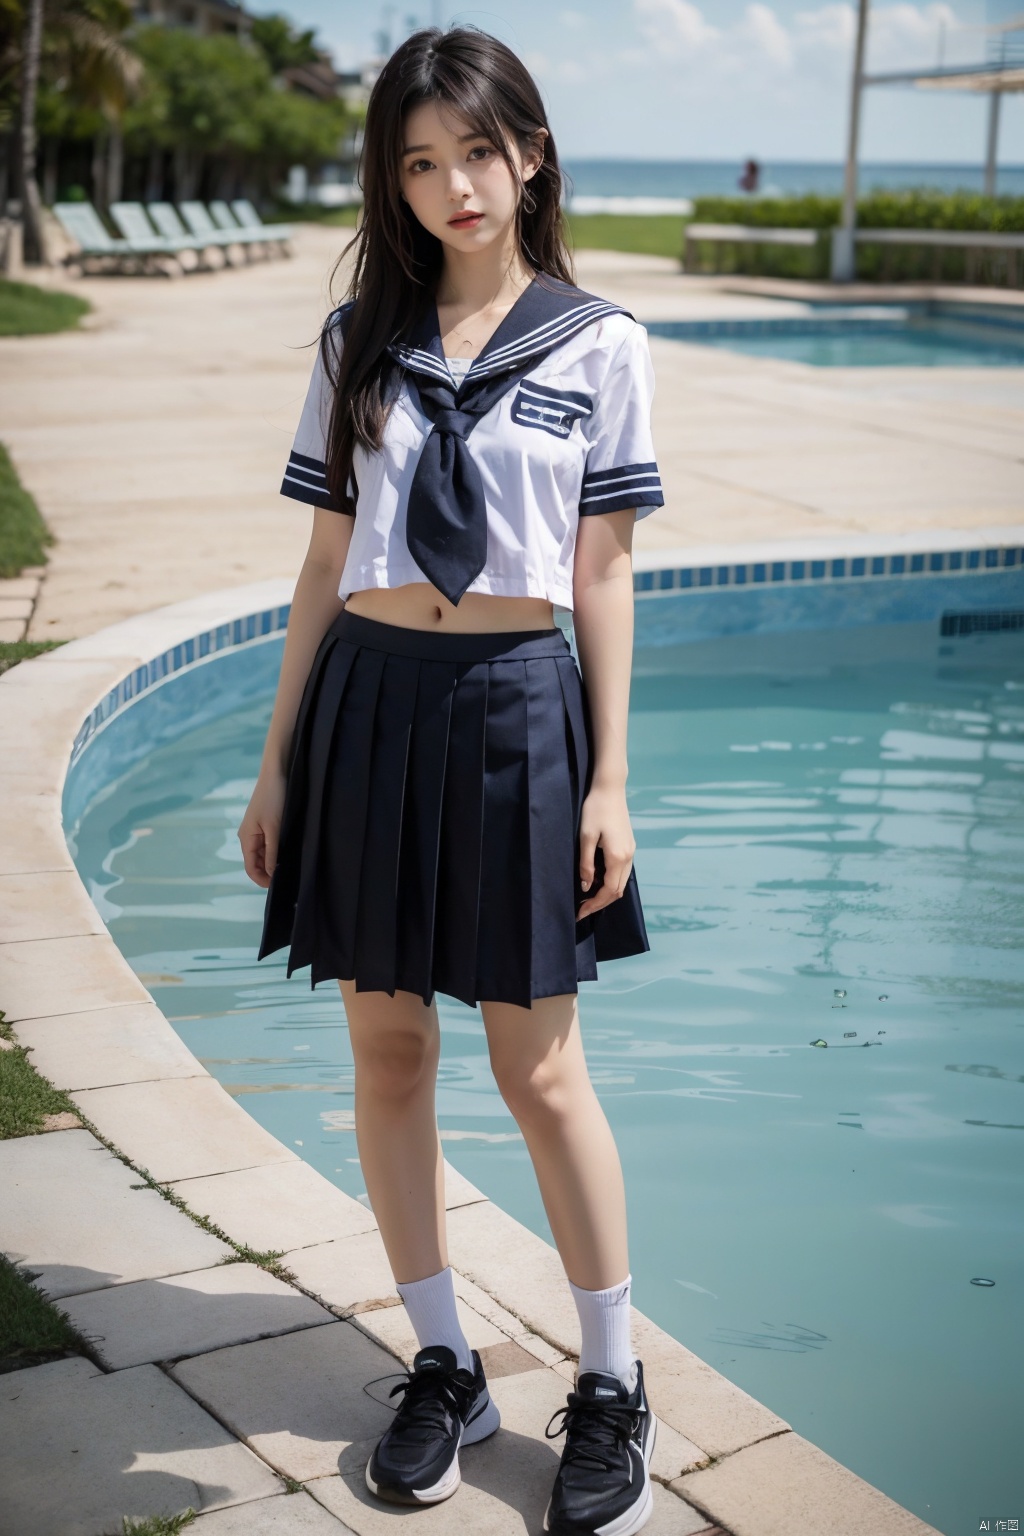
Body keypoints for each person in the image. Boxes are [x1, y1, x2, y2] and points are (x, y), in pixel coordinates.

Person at [238, 25, 664, 1536]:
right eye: (418, 162)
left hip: (514, 707)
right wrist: (278, 757)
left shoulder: (600, 344)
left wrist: (611, 775)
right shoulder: (358, 339)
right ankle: (444, 1362)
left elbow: (603, 572)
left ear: (529, 153)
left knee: (538, 1067)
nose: (452, 186)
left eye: (477, 152)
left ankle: (611, 1385)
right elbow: (315, 558)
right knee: (390, 1054)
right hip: (366, 700)